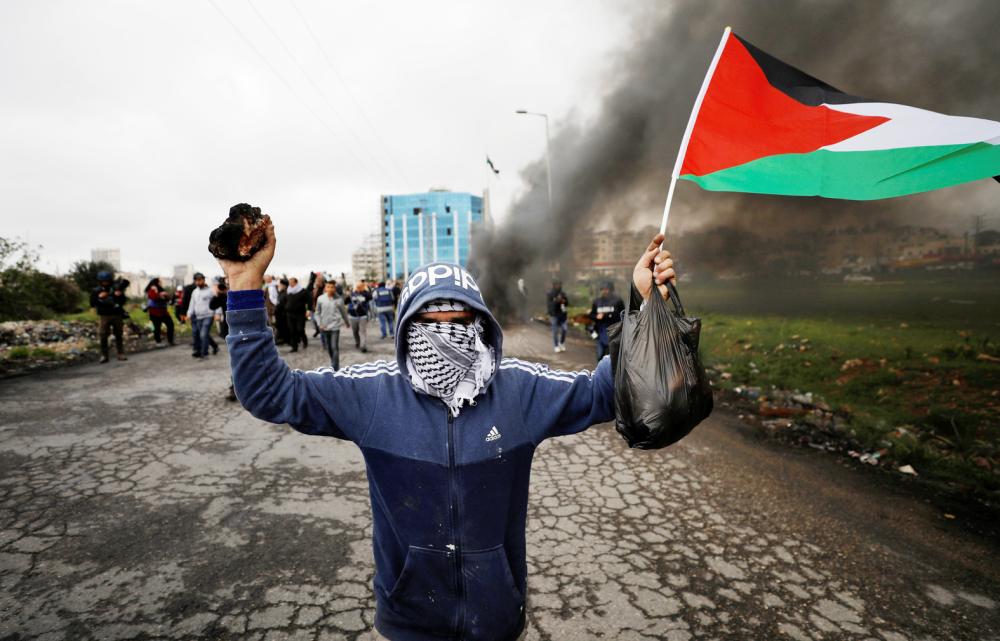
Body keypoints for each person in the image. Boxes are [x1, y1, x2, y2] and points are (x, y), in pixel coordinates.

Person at [218, 222, 676, 641]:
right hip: (408, 620)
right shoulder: (373, 394)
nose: (444, 336)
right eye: (428, 324)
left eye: (458, 323)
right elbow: (268, 392)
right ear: (405, 328)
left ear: (479, 324)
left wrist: (643, 305)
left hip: (496, 617)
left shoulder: (517, 390)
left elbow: (602, 391)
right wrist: (243, 284)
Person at [90, 270, 128, 363]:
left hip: (116, 314)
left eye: (107, 281)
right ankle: (104, 355)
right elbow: (92, 303)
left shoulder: (116, 288)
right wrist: (99, 298)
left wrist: (119, 296)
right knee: (103, 335)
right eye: (103, 281)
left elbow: (123, 301)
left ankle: (120, 353)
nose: (105, 283)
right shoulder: (96, 290)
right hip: (104, 315)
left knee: (118, 334)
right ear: (100, 281)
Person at [210, 280, 237, 401]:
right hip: (230, 332)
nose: (227, 285)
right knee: (235, 360)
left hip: (245, 330)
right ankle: (235, 387)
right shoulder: (222, 297)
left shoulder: (241, 290)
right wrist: (218, 294)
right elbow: (212, 306)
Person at [314, 280, 349, 370]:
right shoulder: (320, 299)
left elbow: (343, 312)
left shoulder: (339, 299)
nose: (330, 289)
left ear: (335, 288)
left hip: (335, 326)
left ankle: (335, 368)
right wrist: (319, 324)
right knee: (329, 347)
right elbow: (317, 313)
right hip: (324, 327)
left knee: (334, 347)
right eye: (328, 287)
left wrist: (347, 322)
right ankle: (333, 362)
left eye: (332, 287)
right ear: (325, 288)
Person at [589, 280, 625, 363]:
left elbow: (623, 314)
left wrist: (607, 315)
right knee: (600, 355)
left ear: (611, 290)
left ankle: (612, 373)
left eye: (606, 289)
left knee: (612, 357)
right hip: (600, 330)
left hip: (614, 331)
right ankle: (600, 373)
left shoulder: (618, 300)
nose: (604, 291)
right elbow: (591, 315)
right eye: (603, 289)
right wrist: (596, 317)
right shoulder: (597, 301)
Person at [186, 272, 216, 359]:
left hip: (208, 315)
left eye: (200, 280)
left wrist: (218, 314)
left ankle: (204, 353)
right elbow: (192, 304)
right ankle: (215, 346)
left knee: (203, 334)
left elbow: (216, 302)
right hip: (198, 316)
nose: (198, 282)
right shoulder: (195, 292)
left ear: (203, 280)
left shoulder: (210, 291)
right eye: (196, 280)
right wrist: (189, 313)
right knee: (204, 334)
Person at [145, 278, 175, 346]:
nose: (161, 283)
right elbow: (155, 298)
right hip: (155, 312)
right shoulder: (151, 290)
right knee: (157, 327)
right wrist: (159, 293)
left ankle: (170, 340)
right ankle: (158, 341)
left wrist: (163, 295)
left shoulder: (161, 289)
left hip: (163, 311)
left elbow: (168, 298)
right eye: (160, 282)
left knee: (170, 324)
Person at [285, 276, 310, 352]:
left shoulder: (303, 291)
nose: (290, 283)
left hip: (300, 313)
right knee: (292, 331)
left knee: (300, 329)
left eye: (291, 282)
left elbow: (308, 301)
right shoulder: (288, 291)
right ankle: (294, 347)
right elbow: (285, 301)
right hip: (290, 314)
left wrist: (308, 310)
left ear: (296, 282)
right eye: (289, 282)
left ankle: (304, 340)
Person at [346, 281, 370, 353]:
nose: (359, 288)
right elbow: (345, 301)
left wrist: (364, 290)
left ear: (363, 287)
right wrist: (347, 295)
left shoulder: (365, 294)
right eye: (357, 286)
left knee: (363, 332)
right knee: (355, 331)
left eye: (361, 286)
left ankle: (363, 346)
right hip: (353, 316)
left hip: (363, 316)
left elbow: (370, 297)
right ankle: (358, 342)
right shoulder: (352, 294)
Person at [545, 279, 569, 353]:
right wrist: (556, 301)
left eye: (559, 284)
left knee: (565, 329)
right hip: (554, 315)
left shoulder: (563, 293)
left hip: (562, 315)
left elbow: (567, 303)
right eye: (556, 284)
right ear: (553, 285)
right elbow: (550, 305)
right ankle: (556, 346)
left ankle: (561, 343)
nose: (558, 286)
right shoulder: (550, 294)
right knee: (555, 331)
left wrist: (564, 301)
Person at [273, 278, 289, 345]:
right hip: (279, 314)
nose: (279, 285)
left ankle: (286, 339)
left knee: (284, 327)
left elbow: (286, 304)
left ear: (284, 285)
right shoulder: (280, 292)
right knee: (280, 327)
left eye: (280, 284)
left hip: (283, 314)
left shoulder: (286, 293)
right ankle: (282, 339)